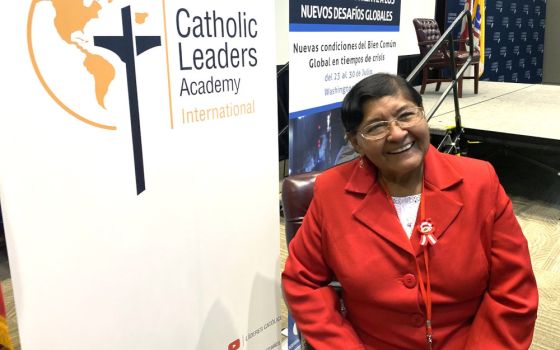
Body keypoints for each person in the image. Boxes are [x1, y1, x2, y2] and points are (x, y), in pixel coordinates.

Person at [282, 73, 538, 349]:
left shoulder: (479, 182)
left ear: (423, 114)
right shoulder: (332, 192)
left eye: (406, 115)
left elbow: (513, 293)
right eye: (377, 127)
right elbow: (302, 282)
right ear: (355, 142)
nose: (397, 133)